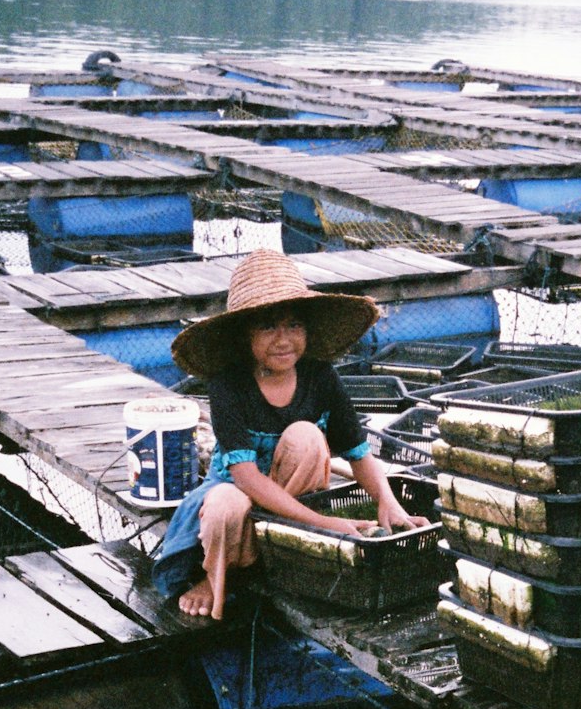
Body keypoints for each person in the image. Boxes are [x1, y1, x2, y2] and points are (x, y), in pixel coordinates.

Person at [152, 249, 428, 619]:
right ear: (243, 333)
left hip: (294, 492)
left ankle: (278, 548)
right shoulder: (228, 383)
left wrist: (388, 502)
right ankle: (223, 575)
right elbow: (245, 477)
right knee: (225, 506)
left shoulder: (320, 376)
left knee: (307, 437)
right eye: (268, 327)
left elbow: (359, 453)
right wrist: (327, 525)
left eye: (294, 326)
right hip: (236, 491)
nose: (283, 340)